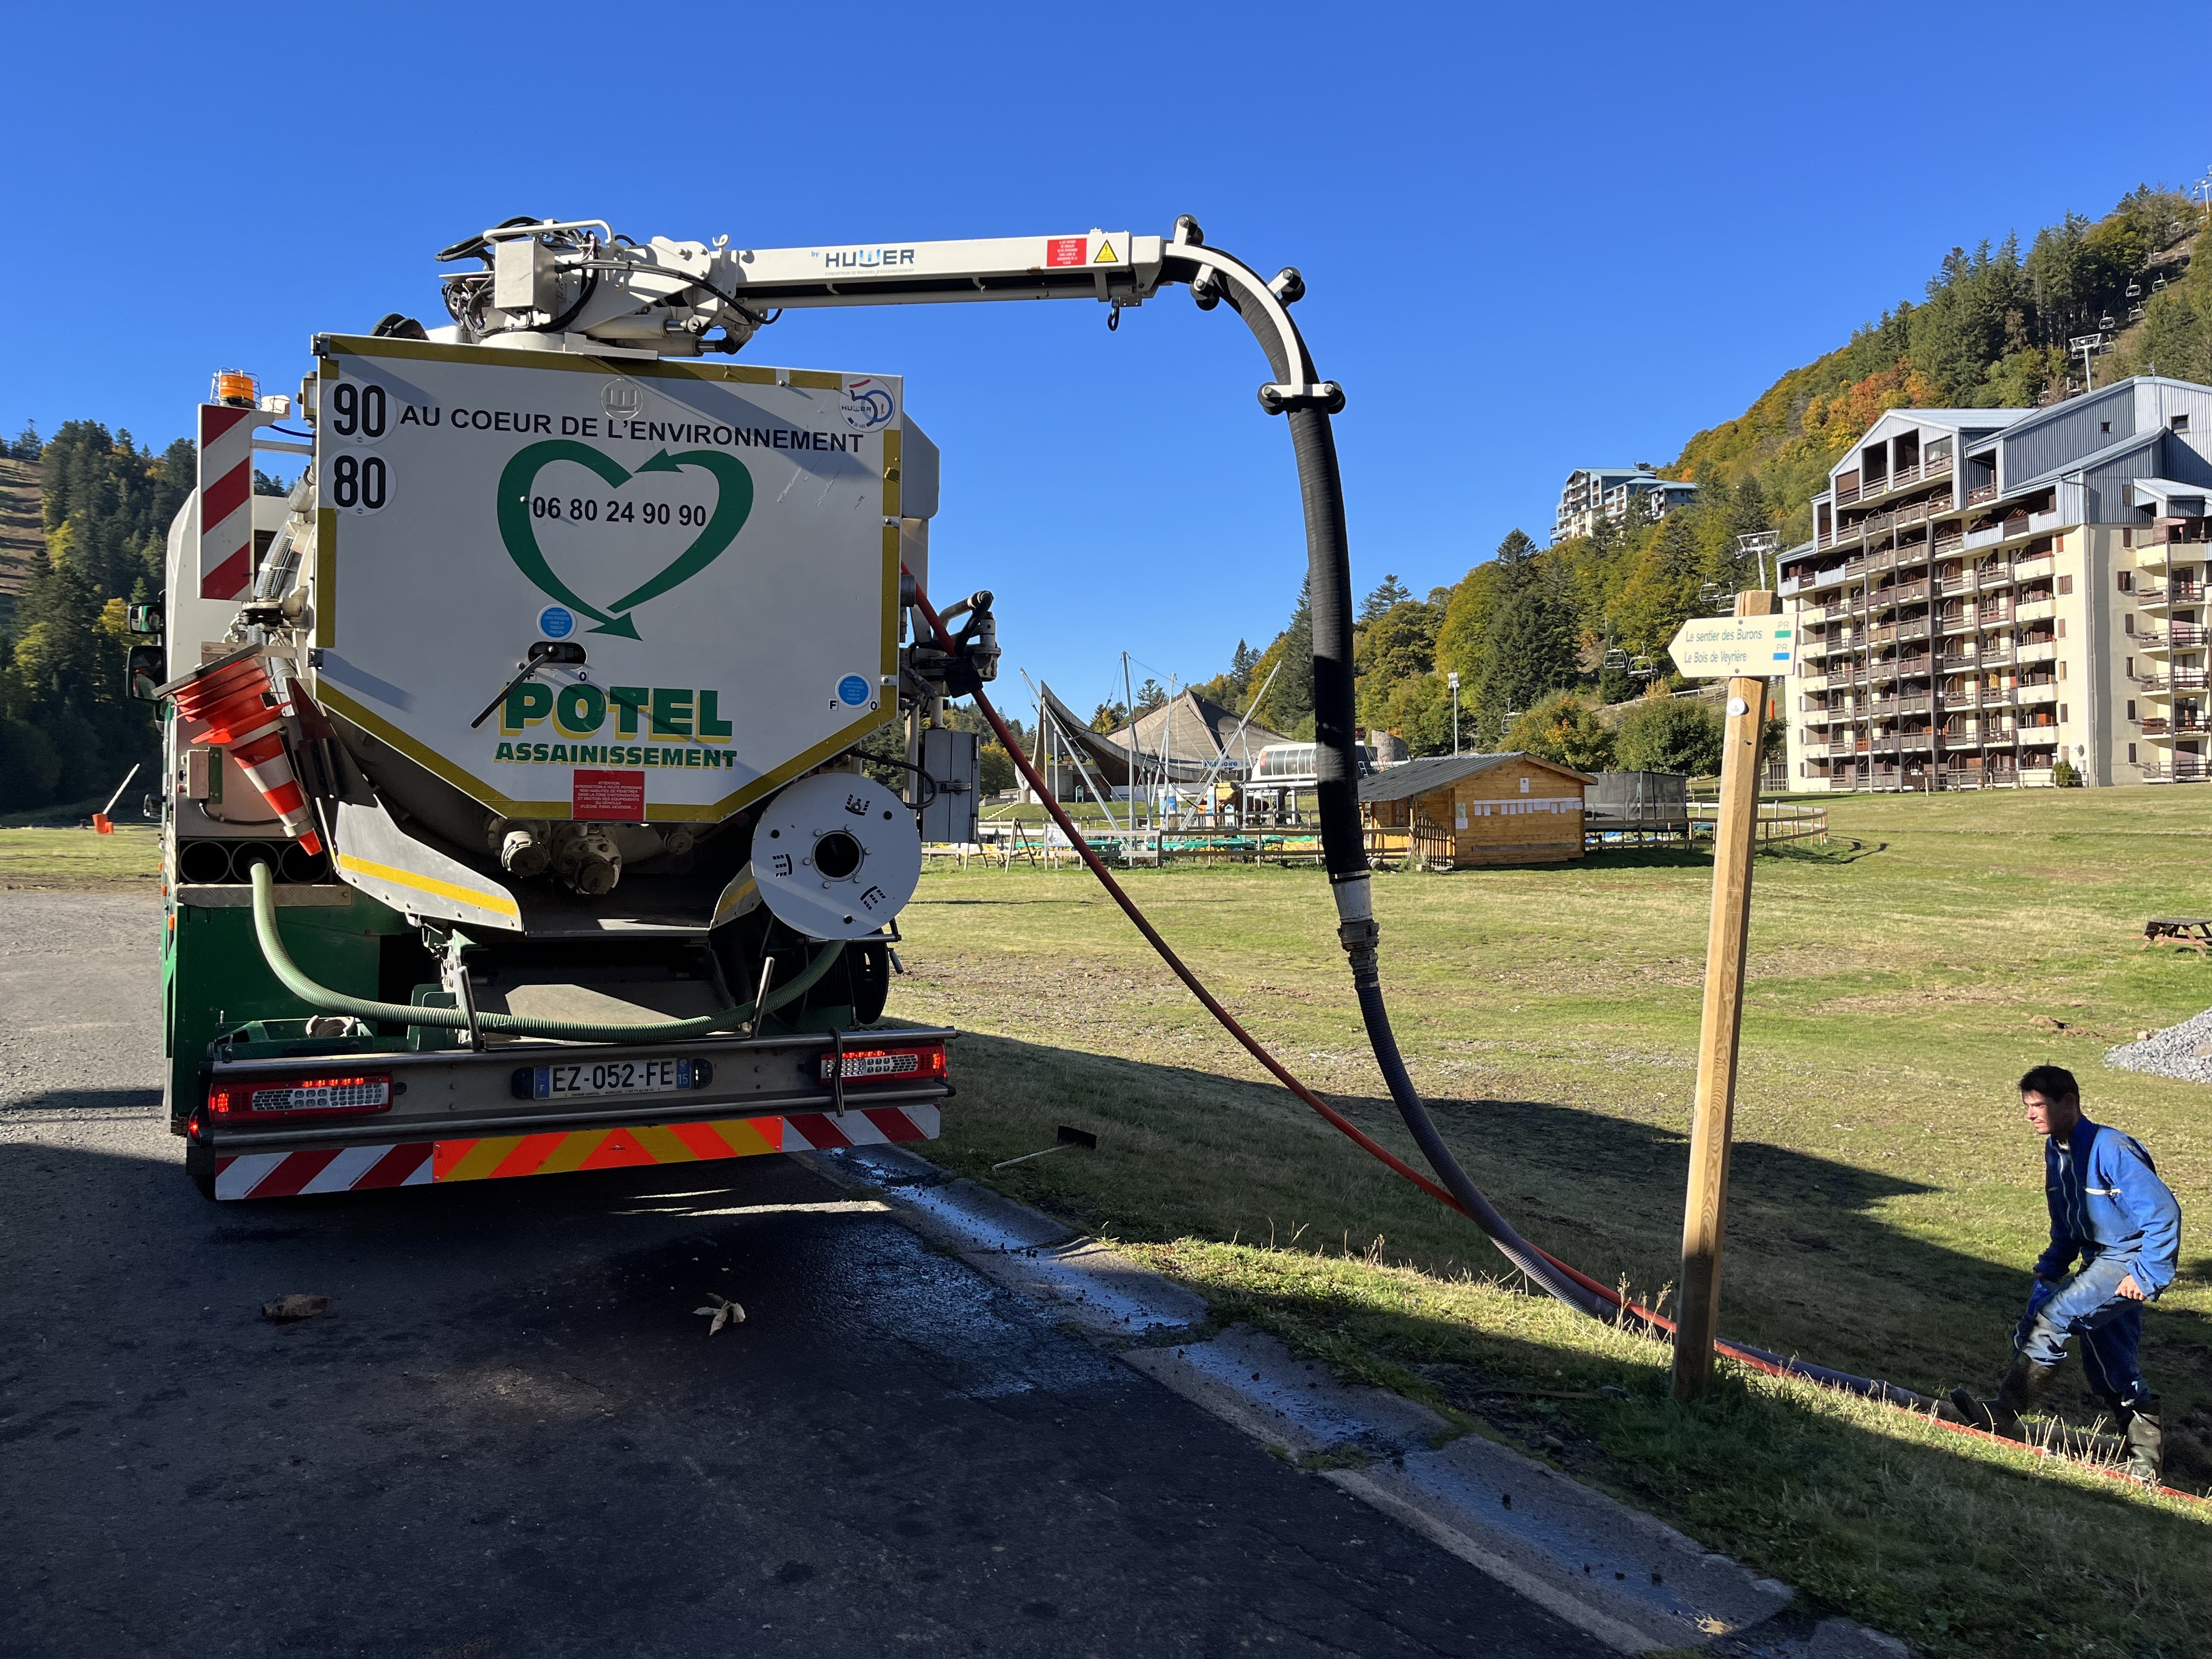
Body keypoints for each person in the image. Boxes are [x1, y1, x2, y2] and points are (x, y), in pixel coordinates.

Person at [1950, 1065, 2182, 1485]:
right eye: (2026, 1106)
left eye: (2038, 1105)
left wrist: (2146, 1277)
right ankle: (2146, 1464)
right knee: (2112, 1365)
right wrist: (2055, 1263)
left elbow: (2164, 1214)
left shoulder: (2112, 1148)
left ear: (2069, 1102)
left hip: (2125, 1261)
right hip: (2096, 1260)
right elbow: (2066, 1218)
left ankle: (2002, 1413)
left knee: (2054, 1317)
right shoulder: (2057, 1151)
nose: (2029, 1115)